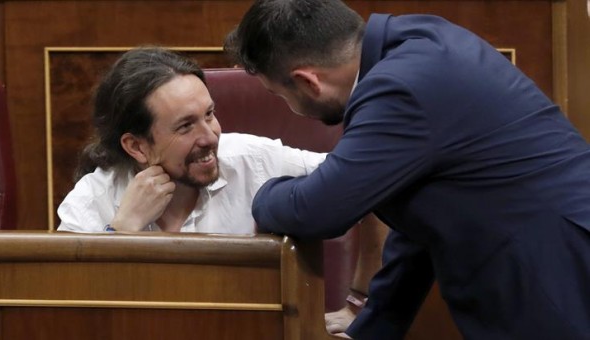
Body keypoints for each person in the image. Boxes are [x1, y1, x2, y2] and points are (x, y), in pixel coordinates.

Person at [225, 1, 590, 339]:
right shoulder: (418, 41)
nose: (289, 107)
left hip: (556, 279)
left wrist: (261, 193)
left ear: (308, 81)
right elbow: (416, 217)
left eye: (279, 95)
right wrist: (373, 327)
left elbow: (316, 210)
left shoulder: (399, 88)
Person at [57, 46, 326, 234]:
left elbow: (361, 176)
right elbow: (66, 304)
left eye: (209, 114)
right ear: (137, 146)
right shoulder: (94, 197)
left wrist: (356, 295)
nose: (210, 137)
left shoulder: (253, 161)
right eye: (185, 126)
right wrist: (124, 228)